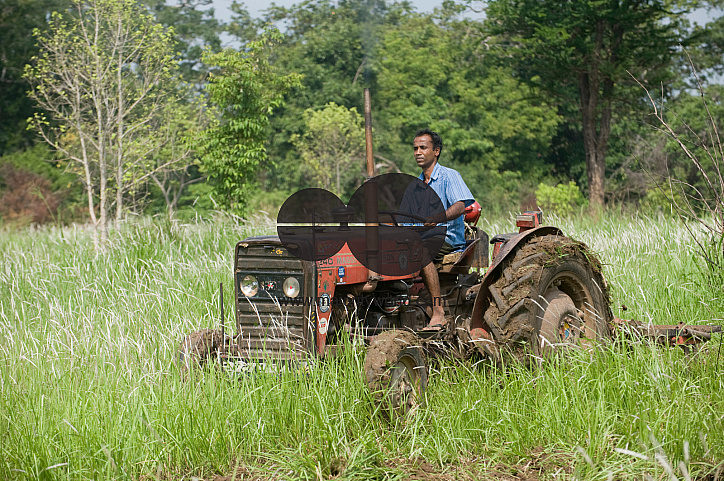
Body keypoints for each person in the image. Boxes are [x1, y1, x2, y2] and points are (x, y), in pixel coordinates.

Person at [411, 129, 475, 330]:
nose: (418, 152)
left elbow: (460, 206)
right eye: (415, 148)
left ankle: (438, 312)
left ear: (436, 151)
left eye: (423, 147)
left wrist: (438, 217)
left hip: (447, 239)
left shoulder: (449, 176)